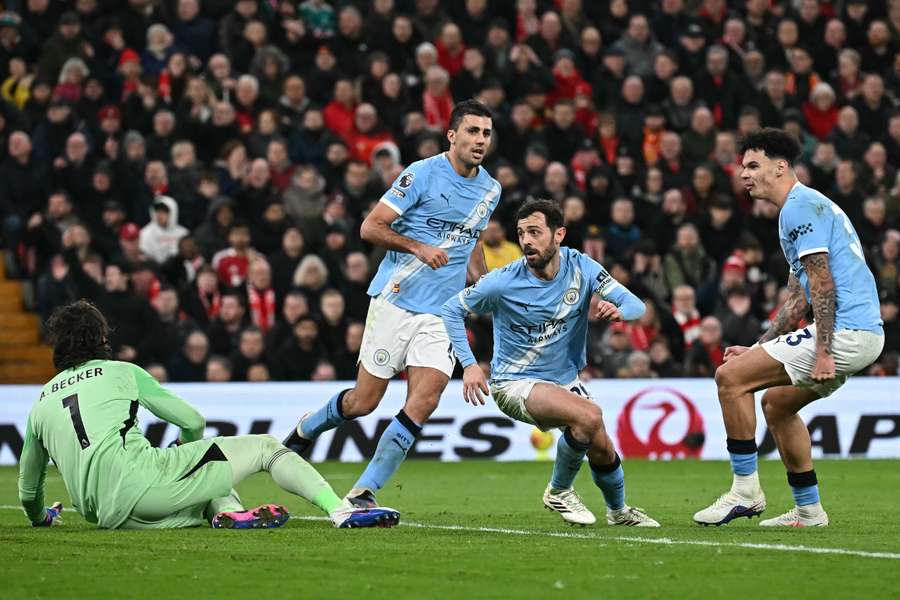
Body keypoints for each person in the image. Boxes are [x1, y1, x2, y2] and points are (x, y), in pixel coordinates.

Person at [283, 99, 500, 508]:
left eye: (486, 133)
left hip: (442, 313)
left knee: (427, 396)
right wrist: (417, 247)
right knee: (363, 403)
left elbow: (472, 242)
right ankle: (307, 428)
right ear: (452, 135)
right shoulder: (420, 174)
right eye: (472, 131)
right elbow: (370, 227)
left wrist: (483, 282)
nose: (480, 140)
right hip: (396, 301)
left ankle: (364, 491)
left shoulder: (491, 188)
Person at [18, 299, 400, 530]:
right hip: (144, 487)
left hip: (105, 516)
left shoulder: (40, 403)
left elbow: (28, 490)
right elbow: (191, 421)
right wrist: (187, 452)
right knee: (266, 447)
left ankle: (228, 512)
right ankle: (340, 511)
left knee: (205, 482)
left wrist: (41, 518)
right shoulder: (122, 372)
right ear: (102, 339)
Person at [693, 129, 884, 528]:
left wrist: (825, 350)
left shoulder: (799, 207)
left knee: (729, 379)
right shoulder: (797, 211)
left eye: (752, 165)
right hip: (863, 332)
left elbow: (822, 283)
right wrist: (758, 346)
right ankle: (809, 509)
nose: (743, 174)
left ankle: (745, 490)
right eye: (742, 166)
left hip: (846, 330)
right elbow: (798, 300)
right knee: (777, 404)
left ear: (780, 167)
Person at [441, 199, 660, 528]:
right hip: (514, 383)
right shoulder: (502, 281)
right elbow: (451, 310)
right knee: (589, 415)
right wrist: (469, 365)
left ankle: (618, 512)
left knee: (602, 446)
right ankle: (559, 490)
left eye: (534, 232)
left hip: (564, 380)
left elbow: (635, 305)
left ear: (559, 235)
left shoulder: (582, 267)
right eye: (521, 234)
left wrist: (620, 312)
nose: (526, 241)